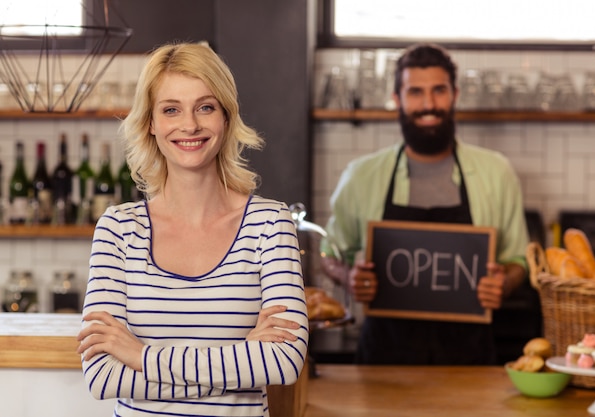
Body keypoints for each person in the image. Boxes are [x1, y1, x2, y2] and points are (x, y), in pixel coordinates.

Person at [76, 42, 309, 417]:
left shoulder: (270, 224)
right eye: (171, 109)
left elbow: (284, 363)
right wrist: (241, 359)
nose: (190, 125)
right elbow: (103, 377)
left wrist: (141, 356)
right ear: (150, 122)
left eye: (205, 107)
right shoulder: (118, 229)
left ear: (226, 118)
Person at [324, 43, 528, 365]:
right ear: (397, 100)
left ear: (455, 95)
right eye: (415, 92)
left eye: (439, 91)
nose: (429, 104)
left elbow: (519, 259)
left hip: (470, 362)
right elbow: (330, 252)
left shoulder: (497, 173)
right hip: (383, 359)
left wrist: (504, 282)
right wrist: (348, 276)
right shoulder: (361, 176)